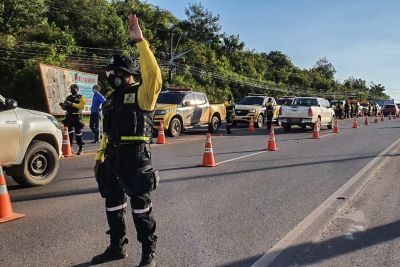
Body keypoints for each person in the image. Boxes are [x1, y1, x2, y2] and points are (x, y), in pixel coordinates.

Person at [92, 14, 162, 267]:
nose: (113, 76)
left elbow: (154, 75)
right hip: (112, 156)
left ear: (129, 73)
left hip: (136, 157)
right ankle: (116, 247)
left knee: (140, 207)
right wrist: (100, 157)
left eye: (118, 72)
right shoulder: (112, 98)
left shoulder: (142, 94)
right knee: (112, 204)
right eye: (110, 72)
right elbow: (106, 132)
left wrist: (140, 42)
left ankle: (148, 252)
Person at [59, 84, 86, 155]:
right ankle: (70, 147)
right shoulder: (68, 97)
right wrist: (62, 106)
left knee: (78, 133)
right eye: (71, 89)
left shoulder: (81, 97)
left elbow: (82, 106)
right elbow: (64, 107)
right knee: (69, 133)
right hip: (69, 117)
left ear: (77, 89)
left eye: (73, 89)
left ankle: (81, 148)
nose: (71, 90)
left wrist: (71, 104)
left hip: (77, 117)